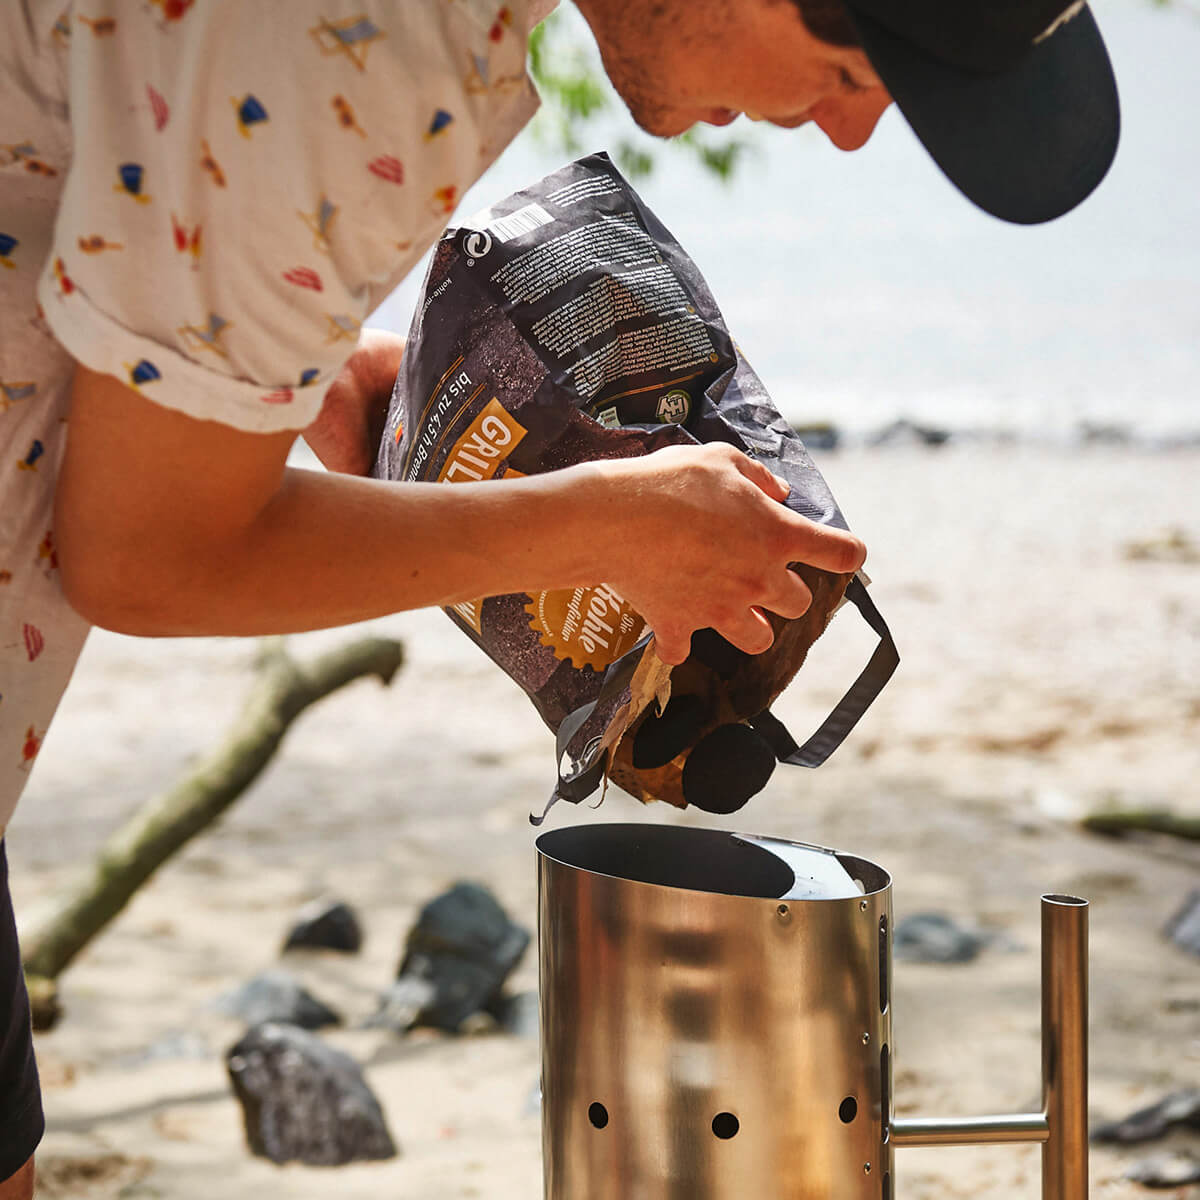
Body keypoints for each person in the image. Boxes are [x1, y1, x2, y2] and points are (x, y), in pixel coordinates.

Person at [0, 0, 1119, 1193]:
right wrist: (609, 527)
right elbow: (147, 561)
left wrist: (309, 389)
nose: (849, 135)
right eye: (851, 68)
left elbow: (85, 206)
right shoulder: (380, 39)